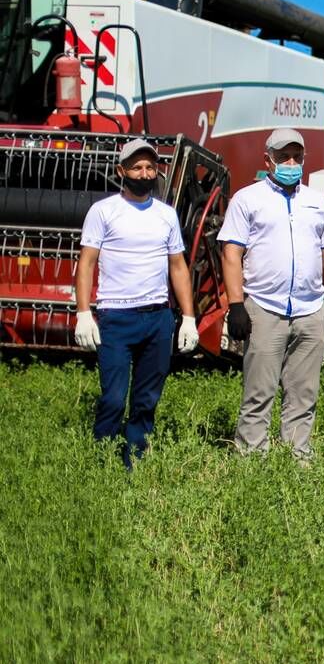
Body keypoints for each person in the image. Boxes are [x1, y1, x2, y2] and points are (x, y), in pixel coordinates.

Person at [219, 128, 324, 459]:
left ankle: (297, 459)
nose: (291, 162)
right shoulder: (247, 199)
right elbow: (231, 253)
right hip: (264, 308)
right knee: (258, 393)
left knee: (304, 394)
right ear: (268, 160)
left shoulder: (318, 204)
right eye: (283, 156)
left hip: (309, 310)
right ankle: (250, 462)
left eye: (296, 156)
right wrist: (236, 306)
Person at [73, 138, 200, 466]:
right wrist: (84, 312)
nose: (144, 174)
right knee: (114, 398)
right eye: (136, 168)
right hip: (116, 317)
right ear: (122, 171)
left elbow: (178, 267)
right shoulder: (103, 212)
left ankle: (135, 461)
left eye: (149, 167)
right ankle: (102, 459)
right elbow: (86, 262)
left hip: (157, 318)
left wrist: (188, 317)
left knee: (146, 398)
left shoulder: (166, 215)